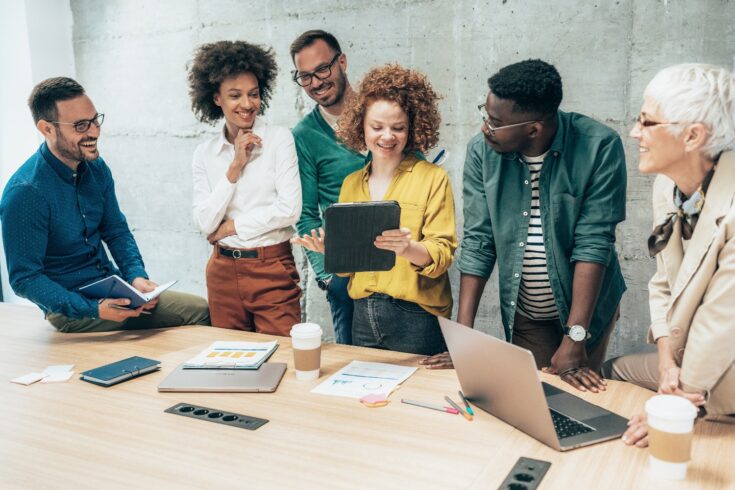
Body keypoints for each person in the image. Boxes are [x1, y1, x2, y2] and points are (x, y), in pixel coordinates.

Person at [421, 59, 627, 393]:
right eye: (486, 115)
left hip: (587, 314)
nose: (485, 127)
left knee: (580, 398)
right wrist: (464, 338)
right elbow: (479, 240)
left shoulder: (599, 146)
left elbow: (594, 243)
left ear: (533, 129)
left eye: (495, 121)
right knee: (534, 401)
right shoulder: (481, 151)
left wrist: (577, 337)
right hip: (527, 313)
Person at [0, 77, 210, 332]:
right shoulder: (26, 193)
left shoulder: (96, 169)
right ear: (47, 129)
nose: (94, 132)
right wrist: (94, 309)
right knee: (197, 315)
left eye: (95, 120)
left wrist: (136, 276)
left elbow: (116, 231)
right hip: (70, 308)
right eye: (80, 125)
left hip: (112, 287)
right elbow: (25, 278)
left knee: (199, 310)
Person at [600, 64, 735, 447]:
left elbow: (722, 323)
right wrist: (664, 358)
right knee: (611, 369)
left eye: (647, 122)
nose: (634, 133)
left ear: (693, 136)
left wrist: (674, 402)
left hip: (726, 362)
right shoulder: (667, 185)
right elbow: (662, 281)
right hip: (692, 352)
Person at [293, 64, 457, 356]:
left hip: (416, 318)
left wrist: (408, 249)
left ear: (413, 128)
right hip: (362, 315)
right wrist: (331, 252)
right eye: (377, 127)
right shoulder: (352, 184)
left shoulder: (432, 178)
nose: (387, 137)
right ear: (361, 126)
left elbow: (442, 255)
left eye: (398, 128)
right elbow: (350, 267)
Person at [188, 40, 302, 336]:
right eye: (235, 95)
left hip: (271, 268)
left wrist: (231, 227)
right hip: (222, 272)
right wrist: (235, 167)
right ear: (216, 98)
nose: (248, 104)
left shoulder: (279, 139)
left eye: (253, 94)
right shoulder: (205, 153)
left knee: (283, 359)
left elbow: (289, 210)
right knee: (231, 363)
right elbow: (204, 222)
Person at [290, 30, 364, 344]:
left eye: (322, 69)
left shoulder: (387, 113)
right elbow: (306, 216)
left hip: (401, 270)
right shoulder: (305, 135)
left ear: (342, 61)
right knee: (355, 371)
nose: (316, 82)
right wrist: (329, 277)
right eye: (305, 77)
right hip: (345, 277)